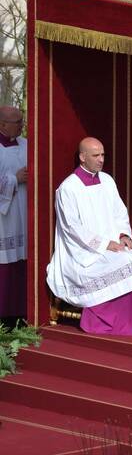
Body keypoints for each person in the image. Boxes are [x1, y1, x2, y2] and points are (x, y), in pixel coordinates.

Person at [47, 137, 132, 335]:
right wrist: (104, 244)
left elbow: (119, 212)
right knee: (119, 262)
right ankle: (122, 322)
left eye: (103, 155)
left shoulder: (107, 180)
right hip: (84, 253)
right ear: (82, 157)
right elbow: (73, 228)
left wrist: (124, 235)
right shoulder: (68, 189)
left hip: (113, 242)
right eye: (96, 155)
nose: (101, 160)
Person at [0, 105, 27, 327]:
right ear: (2, 124)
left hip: (25, 212)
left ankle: (23, 310)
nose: (22, 125)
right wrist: (14, 179)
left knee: (24, 259)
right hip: (4, 218)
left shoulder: (27, 144)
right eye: (17, 121)